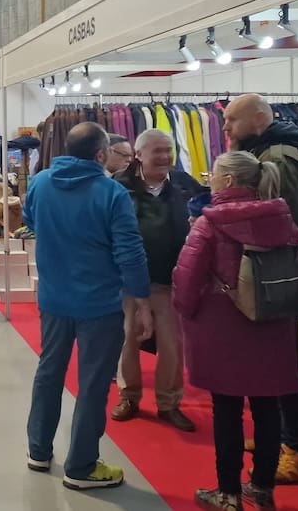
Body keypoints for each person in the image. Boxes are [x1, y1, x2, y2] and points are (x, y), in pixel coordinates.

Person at [173, 151, 298, 511]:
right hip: (272, 325)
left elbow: (186, 278)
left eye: (214, 174)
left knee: (227, 410)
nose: (210, 179)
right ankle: (263, 488)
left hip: (223, 326)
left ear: (228, 181)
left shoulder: (210, 223)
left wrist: (185, 313)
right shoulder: (283, 219)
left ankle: (228, 493)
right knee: (267, 408)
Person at [24, 122, 152, 491]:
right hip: (99, 303)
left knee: (48, 372)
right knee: (93, 383)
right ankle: (80, 466)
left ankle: (38, 449)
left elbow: (31, 221)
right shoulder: (111, 193)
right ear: (100, 155)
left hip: (53, 297)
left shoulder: (41, 183)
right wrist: (141, 300)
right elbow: (130, 252)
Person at [222, 93, 298, 484]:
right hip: (273, 273)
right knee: (273, 361)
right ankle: (284, 437)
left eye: (231, 120)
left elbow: (279, 221)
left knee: (283, 365)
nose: (225, 127)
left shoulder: (278, 158)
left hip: (279, 276)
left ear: (259, 119)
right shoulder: (268, 152)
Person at [110, 130, 200, 433]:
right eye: (157, 151)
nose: (165, 157)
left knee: (172, 344)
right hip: (127, 281)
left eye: (168, 150)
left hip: (171, 278)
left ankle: (169, 403)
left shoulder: (186, 185)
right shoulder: (118, 186)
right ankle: (129, 396)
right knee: (127, 339)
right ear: (139, 154)